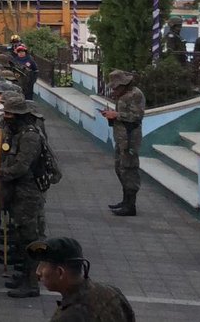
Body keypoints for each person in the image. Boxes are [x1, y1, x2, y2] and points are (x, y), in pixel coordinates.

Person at [0, 94, 47, 298]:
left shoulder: (30, 136)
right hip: (17, 192)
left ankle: (32, 283)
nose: (6, 117)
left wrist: (2, 172)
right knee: (19, 235)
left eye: (9, 114)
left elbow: (21, 167)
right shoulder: (16, 132)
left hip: (28, 194)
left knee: (29, 238)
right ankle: (24, 275)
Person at [29, 237, 135, 321]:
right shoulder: (112, 292)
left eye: (43, 265)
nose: (38, 272)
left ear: (60, 272)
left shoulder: (69, 317)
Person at [103, 70, 144, 217]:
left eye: (116, 87)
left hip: (130, 138)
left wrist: (117, 115)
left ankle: (130, 204)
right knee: (119, 168)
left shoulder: (135, 95)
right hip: (121, 138)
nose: (114, 90)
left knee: (129, 169)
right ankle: (125, 200)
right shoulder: (122, 95)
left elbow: (137, 116)